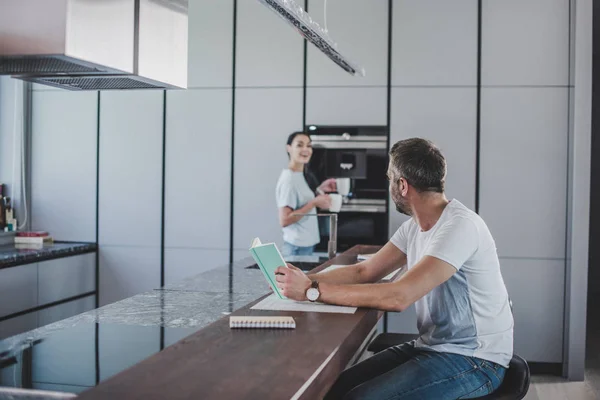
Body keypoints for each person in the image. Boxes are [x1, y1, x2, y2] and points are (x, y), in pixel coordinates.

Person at [275, 138, 514, 399]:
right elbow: (364, 272)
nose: (389, 184)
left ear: (402, 185)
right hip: (432, 348)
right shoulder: (414, 226)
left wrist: (312, 291)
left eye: (390, 177)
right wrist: (302, 279)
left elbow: (399, 296)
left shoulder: (460, 226)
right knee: (333, 389)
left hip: (475, 360)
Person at [276, 132, 336, 257]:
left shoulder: (299, 175)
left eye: (309, 146)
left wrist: (320, 190)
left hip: (306, 245)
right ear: (288, 148)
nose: (306, 149)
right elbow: (285, 219)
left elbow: (301, 201)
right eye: (299, 145)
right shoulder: (289, 180)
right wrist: (314, 202)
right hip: (296, 248)